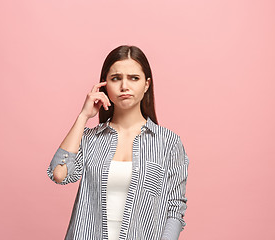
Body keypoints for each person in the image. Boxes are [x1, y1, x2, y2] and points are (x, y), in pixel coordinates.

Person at [47, 45, 189, 240]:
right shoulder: (91, 139)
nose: (124, 86)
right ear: (105, 85)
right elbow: (59, 173)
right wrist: (83, 116)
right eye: (116, 78)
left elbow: (175, 208)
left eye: (134, 78)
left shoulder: (168, 143)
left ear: (146, 84)